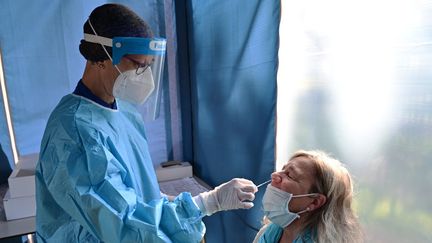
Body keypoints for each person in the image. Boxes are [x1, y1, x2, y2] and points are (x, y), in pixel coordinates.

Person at [35, 4, 257, 243]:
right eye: (139, 66)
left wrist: (194, 203)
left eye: (149, 66)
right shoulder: (75, 131)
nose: (146, 77)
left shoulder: (125, 111)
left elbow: (139, 197)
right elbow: (122, 223)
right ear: (101, 59)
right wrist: (206, 203)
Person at [254, 150, 363, 243]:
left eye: (289, 175)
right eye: (283, 169)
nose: (274, 175)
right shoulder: (266, 234)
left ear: (315, 202)